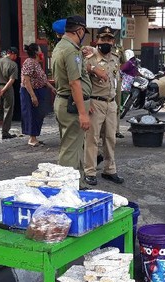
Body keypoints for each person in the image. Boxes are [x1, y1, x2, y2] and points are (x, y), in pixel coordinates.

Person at [51, 15, 91, 188]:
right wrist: (83, 113)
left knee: (73, 146)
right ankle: (66, 189)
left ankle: (78, 184)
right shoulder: (70, 51)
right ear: (80, 30)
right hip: (72, 105)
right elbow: (74, 83)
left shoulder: (61, 46)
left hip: (67, 102)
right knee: (69, 150)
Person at [83, 26, 123, 186]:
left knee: (110, 138)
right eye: (103, 39)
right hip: (95, 102)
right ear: (97, 41)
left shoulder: (115, 58)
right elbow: (82, 79)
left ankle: (109, 170)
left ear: (113, 41)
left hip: (111, 103)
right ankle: (90, 171)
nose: (106, 42)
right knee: (92, 139)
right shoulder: (89, 59)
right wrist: (87, 102)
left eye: (109, 39)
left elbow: (116, 81)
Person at [20, 43, 55, 147]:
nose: (41, 52)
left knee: (39, 114)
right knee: (32, 114)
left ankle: (35, 136)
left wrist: (51, 88)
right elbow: (26, 80)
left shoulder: (36, 63)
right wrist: (33, 96)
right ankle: (32, 138)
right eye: (39, 50)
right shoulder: (29, 63)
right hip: (30, 91)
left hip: (40, 90)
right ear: (36, 52)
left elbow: (43, 79)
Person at [0, 47, 19, 139]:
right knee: (8, 110)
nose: (16, 57)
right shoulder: (13, 64)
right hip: (7, 88)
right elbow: (11, 80)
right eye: (16, 55)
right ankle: (5, 132)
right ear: (13, 54)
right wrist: (3, 90)